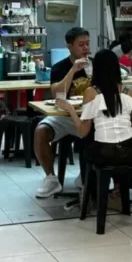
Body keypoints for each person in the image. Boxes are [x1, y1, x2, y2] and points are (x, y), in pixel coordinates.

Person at [58, 49, 132, 169]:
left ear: (96, 69)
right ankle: (120, 185)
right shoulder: (130, 91)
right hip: (130, 154)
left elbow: (83, 132)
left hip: (103, 153)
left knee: (88, 144)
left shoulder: (91, 92)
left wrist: (71, 110)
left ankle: (90, 184)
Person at [35, 27, 93, 198]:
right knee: (41, 131)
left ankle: (87, 175)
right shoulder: (61, 67)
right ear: (69, 46)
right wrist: (73, 71)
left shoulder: (95, 64)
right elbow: (55, 92)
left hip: (89, 117)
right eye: (81, 44)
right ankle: (51, 179)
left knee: (99, 132)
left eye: (88, 44)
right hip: (65, 116)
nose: (85, 48)